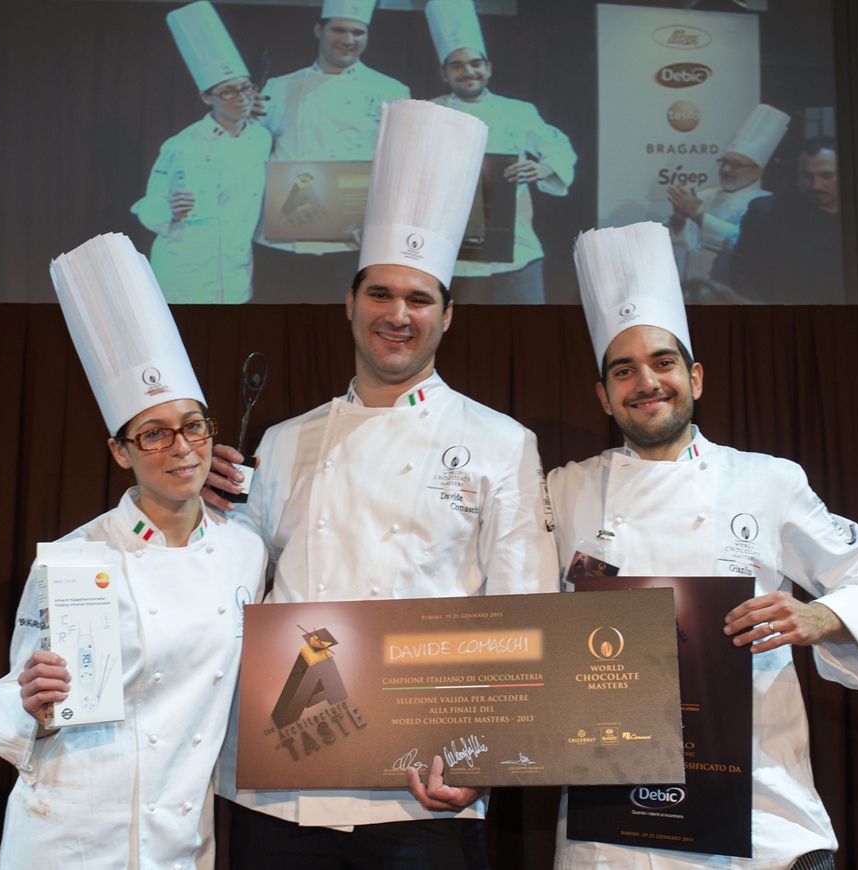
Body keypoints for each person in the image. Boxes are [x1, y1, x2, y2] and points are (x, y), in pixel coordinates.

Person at [211, 100, 555, 869]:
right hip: (283, 785)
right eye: (380, 294)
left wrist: (484, 761)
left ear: (447, 315)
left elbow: (526, 610)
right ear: (349, 303)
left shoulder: (501, 442)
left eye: (418, 298)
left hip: (425, 782)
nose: (397, 315)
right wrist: (198, 507)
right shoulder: (285, 440)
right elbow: (230, 588)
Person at [550, 222, 858, 869]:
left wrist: (820, 616)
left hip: (760, 818)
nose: (646, 382)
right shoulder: (565, 490)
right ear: (603, 395)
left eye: (663, 362)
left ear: (696, 377)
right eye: (623, 371)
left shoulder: (767, 480)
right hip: (614, 831)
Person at [0, 233, 265, 869]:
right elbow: (20, 706)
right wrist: (33, 703)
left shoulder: (246, 552)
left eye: (193, 425)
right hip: (69, 834)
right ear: (120, 451)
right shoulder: (78, 556)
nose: (181, 448)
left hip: (180, 842)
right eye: (153, 434)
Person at [251, 0, 410, 303]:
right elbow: (250, 153)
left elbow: (398, 167)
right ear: (319, 29)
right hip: (284, 240)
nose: (348, 39)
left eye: (358, 32)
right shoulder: (279, 87)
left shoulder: (392, 91)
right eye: (338, 29)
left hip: (349, 241)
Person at [426, 0, 576, 304]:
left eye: (475, 63)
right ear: (444, 74)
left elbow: (560, 148)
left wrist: (544, 169)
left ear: (488, 68)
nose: (468, 71)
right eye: (456, 65)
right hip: (457, 256)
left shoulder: (518, 112)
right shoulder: (429, 114)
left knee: (524, 337)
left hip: (518, 250)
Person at [131, 2, 271, 304]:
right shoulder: (182, 145)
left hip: (235, 275)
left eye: (245, 88)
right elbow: (147, 208)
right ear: (207, 96)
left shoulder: (261, 139)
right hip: (183, 277)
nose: (241, 98)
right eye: (228, 91)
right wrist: (170, 208)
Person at [666, 104, 789, 285]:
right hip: (694, 284)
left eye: (737, 165)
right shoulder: (705, 195)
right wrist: (679, 220)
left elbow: (740, 239)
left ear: (758, 172)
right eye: (724, 162)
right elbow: (682, 243)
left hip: (733, 288)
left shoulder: (766, 204)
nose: (726, 169)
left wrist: (697, 215)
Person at [731, 136, 844, 303]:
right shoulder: (768, 212)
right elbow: (740, 272)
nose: (816, 186)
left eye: (826, 176)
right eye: (807, 176)